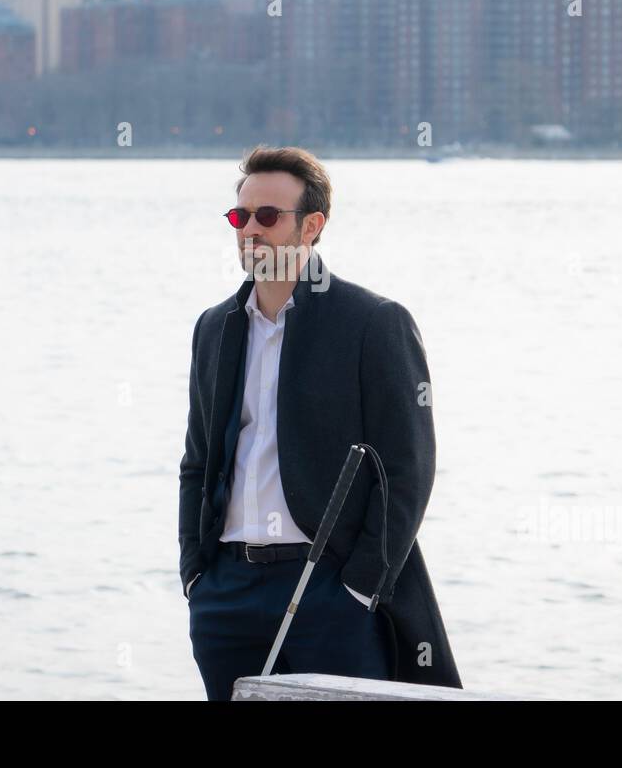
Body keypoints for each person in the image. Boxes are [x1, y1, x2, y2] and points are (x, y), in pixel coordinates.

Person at [178, 145, 462, 701]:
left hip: (328, 591)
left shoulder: (373, 322)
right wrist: (196, 575)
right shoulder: (214, 327)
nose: (249, 231)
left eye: (267, 217)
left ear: (312, 225)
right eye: (240, 216)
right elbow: (197, 460)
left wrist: (359, 588)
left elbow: (407, 469)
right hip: (226, 594)